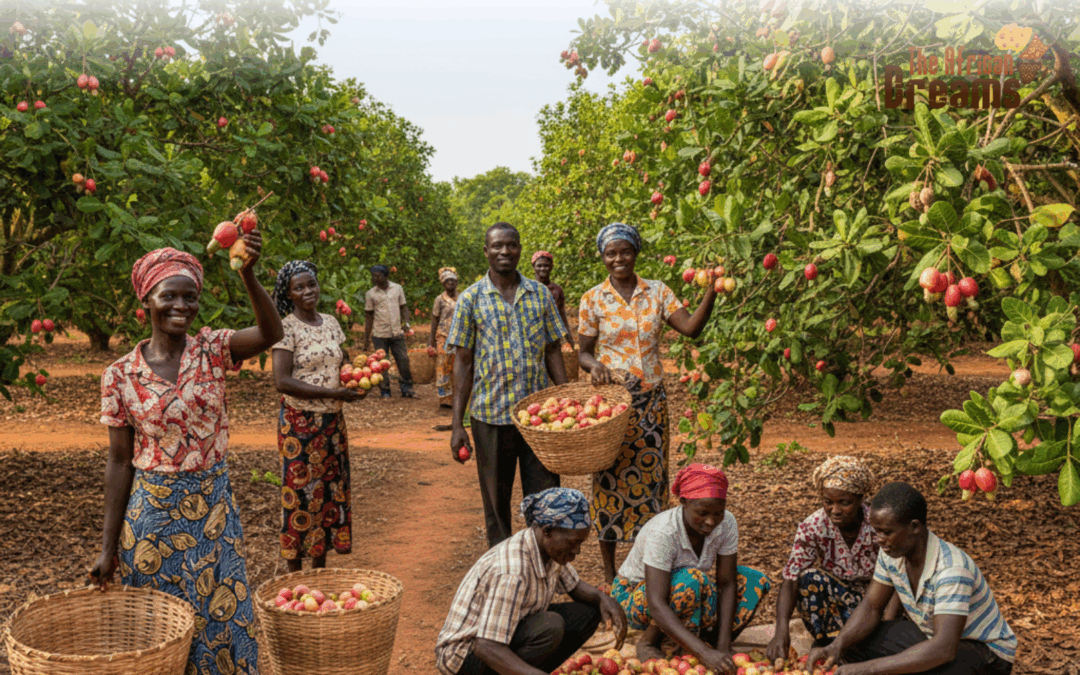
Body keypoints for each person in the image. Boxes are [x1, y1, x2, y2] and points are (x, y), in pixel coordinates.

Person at [92, 240, 283, 675]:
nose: (181, 305)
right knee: (160, 637)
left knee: (222, 625)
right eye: (169, 295)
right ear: (146, 300)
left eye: (190, 296)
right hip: (152, 522)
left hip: (214, 516)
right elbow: (120, 463)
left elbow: (272, 334)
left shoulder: (213, 350)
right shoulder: (120, 375)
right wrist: (107, 549)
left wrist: (248, 273)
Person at [578, 222, 718, 584]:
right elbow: (583, 353)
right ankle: (610, 573)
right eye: (611, 253)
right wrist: (595, 367)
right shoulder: (593, 298)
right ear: (603, 257)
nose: (618, 258)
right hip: (612, 406)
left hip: (651, 403)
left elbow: (690, 328)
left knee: (652, 483)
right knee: (608, 482)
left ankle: (649, 567)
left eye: (625, 251)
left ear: (635, 253)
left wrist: (713, 291)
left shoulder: (657, 292)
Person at [806, 482, 1016, 675]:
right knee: (852, 644)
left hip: (986, 655)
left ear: (915, 527)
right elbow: (871, 606)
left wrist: (867, 669)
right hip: (932, 637)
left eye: (886, 532)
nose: (880, 541)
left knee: (921, 666)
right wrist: (838, 644)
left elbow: (944, 649)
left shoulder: (951, 570)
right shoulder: (892, 553)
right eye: (876, 532)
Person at [446, 222, 570, 547]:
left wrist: (568, 399)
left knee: (547, 501)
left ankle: (544, 566)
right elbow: (463, 361)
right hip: (490, 416)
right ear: (486, 251)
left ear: (519, 249)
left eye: (511, 245)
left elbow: (553, 348)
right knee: (496, 507)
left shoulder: (540, 294)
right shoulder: (471, 299)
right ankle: (503, 572)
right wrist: (457, 423)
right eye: (497, 246)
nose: (505, 251)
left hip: (538, 417)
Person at [435, 488, 628, 675]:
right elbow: (486, 646)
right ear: (547, 531)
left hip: (501, 634)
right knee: (550, 626)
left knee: (588, 613)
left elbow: (574, 586)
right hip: (465, 655)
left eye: (580, 543)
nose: (576, 551)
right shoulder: (513, 572)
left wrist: (604, 599)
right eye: (572, 543)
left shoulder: (548, 550)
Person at [611, 464, 771, 673]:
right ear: (684, 502)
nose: (711, 521)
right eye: (702, 512)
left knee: (752, 581)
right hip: (636, 596)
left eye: (718, 513)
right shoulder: (664, 532)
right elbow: (656, 601)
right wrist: (703, 653)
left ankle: (706, 639)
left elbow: (727, 583)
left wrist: (723, 647)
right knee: (691, 580)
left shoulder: (727, 523)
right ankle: (649, 642)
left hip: (686, 590)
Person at [271, 260, 365, 572]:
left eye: (311, 284)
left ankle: (319, 572)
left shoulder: (331, 323)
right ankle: (294, 577)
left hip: (332, 423)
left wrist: (358, 381)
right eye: (299, 287)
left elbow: (344, 365)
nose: (307, 291)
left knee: (327, 492)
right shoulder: (284, 328)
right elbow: (282, 381)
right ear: (289, 293)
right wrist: (334, 393)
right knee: (300, 496)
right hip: (300, 424)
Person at [766, 456, 902, 662]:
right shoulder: (813, 526)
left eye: (844, 503)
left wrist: (888, 628)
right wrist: (781, 630)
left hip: (879, 600)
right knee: (808, 579)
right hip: (840, 602)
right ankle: (829, 643)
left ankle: (871, 643)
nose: (835, 510)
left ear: (859, 499)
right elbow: (791, 578)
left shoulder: (878, 525)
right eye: (828, 502)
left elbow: (897, 576)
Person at [363, 264, 415, 398]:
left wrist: (407, 323)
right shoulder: (370, 294)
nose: (375, 278)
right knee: (381, 364)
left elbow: (404, 307)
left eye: (378, 276)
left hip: (397, 332)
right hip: (379, 334)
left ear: (386, 276)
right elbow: (369, 316)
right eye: (373, 276)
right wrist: (366, 338)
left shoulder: (397, 288)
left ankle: (407, 388)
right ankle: (385, 390)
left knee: (403, 360)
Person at [430, 266, 460, 409]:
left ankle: (458, 398)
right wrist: (431, 342)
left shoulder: (463, 298)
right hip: (443, 337)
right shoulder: (439, 300)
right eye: (447, 281)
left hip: (459, 337)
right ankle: (444, 398)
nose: (450, 283)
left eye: (452, 281)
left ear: (457, 282)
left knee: (458, 367)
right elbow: (434, 320)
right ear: (443, 283)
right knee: (443, 367)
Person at [531, 251, 573, 346]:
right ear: (534, 267)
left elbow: (562, 315)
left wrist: (568, 338)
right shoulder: (529, 289)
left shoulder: (557, 290)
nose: (542, 269)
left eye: (546, 266)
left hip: (553, 338)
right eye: (539, 266)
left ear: (551, 267)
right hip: (533, 338)